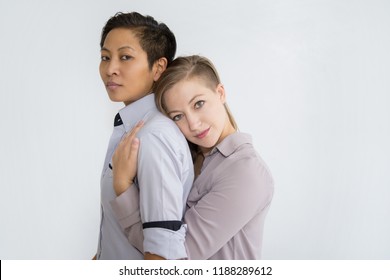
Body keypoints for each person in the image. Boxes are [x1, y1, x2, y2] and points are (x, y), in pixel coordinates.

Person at [113, 55, 274, 259]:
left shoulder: (245, 172)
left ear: (220, 93)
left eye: (198, 104)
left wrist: (123, 187)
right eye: (178, 116)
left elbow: (174, 257)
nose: (193, 124)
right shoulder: (188, 157)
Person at [94, 12, 194, 260]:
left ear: (158, 67)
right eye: (105, 57)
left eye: (125, 57)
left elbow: (163, 254)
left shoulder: (153, 137)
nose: (110, 69)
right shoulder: (134, 127)